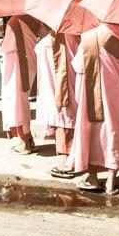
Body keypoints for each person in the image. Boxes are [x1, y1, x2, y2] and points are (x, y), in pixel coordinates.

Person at [68, 22, 119, 195]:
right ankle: (111, 181)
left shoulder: (89, 36)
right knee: (114, 130)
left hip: (91, 91)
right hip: (115, 91)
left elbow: (78, 67)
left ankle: (92, 177)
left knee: (92, 132)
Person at [34, 30, 81, 178]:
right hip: (61, 85)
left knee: (65, 118)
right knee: (65, 118)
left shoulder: (57, 39)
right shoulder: (69, 36)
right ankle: (69, 159)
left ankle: (67, 163)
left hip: (62, 86)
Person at [0, 15, 40, 154]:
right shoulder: (32, 18)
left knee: (16, 101)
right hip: (28, 62)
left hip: (17, 65)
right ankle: (29, 140)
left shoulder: (14, 21)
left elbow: (8, 46)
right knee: (21, 100)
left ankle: (25, 142)